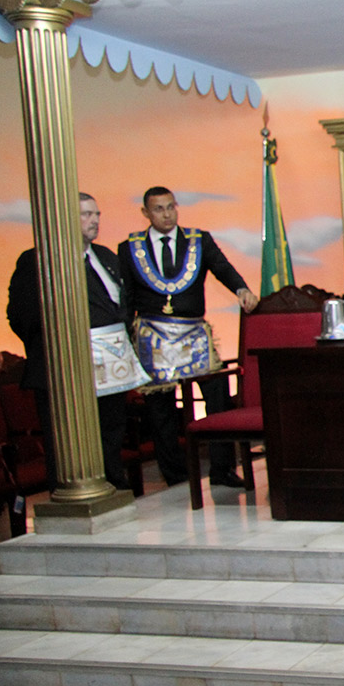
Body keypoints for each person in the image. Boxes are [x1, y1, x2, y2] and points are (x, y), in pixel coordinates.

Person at [119, 186, 258, 488]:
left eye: (171, 207)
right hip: (153, 338)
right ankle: (176, 477)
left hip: (194, 333)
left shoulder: (198, 240)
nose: (167, 214)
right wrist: (126, 340)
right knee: (161, 410)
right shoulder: (129, 248)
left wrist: (241, 288)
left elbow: (222, 268)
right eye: (159, 209)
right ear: (145, 213)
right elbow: (126, 297)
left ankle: (222, 469)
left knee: (217, 395)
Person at [7, 192, 132, 491]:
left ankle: (114, 489)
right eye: (86, 214)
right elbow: (21, 316)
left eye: (97, 214)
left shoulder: (106, 257)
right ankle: (71, 495)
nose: (95, 220)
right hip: (62, 371)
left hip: (110, 367)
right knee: (66, 441)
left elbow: (123, 304)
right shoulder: (36, 259)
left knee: (110, 432)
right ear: (64, 219)